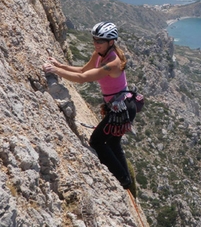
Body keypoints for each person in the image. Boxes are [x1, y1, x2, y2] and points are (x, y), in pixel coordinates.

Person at [43, 21, 136, 189]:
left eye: (100, 41)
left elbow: (83, 79)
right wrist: (59, 65)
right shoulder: (100, 54)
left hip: (121, 108)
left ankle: (123, 179)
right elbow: (83, 70)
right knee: (114, 143)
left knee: (97, 141)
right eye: (94, 40)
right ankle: (126, 180)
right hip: (122, 106)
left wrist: (54, 71)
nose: (96, 44)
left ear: (111, 42)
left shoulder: (112, 63)